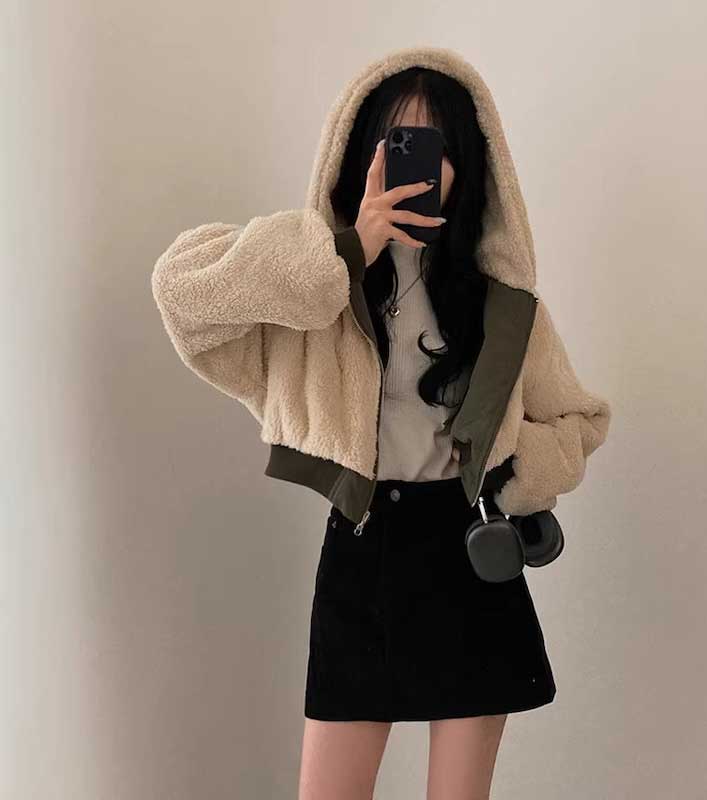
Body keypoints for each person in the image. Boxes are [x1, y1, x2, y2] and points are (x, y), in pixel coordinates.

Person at [151, 45, 611, 800]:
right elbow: (181, 295)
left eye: (439, 149)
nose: (419, 168)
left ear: (469, 166)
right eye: (398, 144)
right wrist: (345, 250)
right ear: (360, 154)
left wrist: (514, 467)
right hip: (362, 558)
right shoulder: (318, 297)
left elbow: (578, 420)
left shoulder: (502, 306)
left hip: (469, 561)